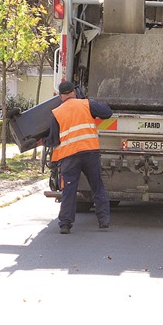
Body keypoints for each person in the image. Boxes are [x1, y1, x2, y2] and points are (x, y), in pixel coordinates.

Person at [43, 81, 113, 234]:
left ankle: (65, 224)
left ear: (61, 96)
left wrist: (42, 141)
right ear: (74, 92)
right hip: (90, 152)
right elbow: (107, 113)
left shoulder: (57, 112)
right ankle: (103, 220)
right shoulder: (86, 104)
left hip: (70, 155)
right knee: (97, 186)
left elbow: (54, 140)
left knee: (69, 189)